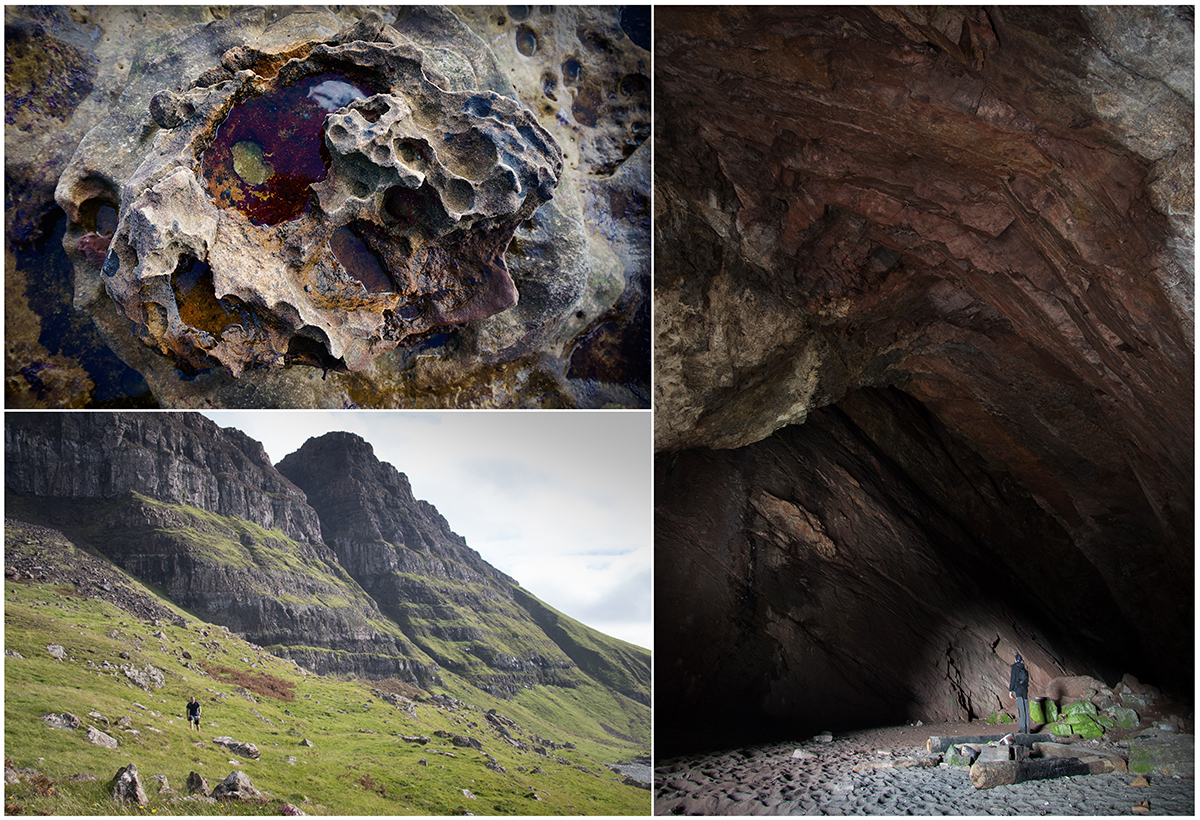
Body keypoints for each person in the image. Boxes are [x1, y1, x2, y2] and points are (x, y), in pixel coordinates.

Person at [1008, 652, 1031, 734]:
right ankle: (1028, 729)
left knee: (1021, 710)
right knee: (1026, 710)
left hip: (1018, 690)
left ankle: (1022, 729)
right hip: (1024, 690)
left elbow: (1013, 679)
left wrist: (1011, 690)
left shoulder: (1014, 667)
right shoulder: (1024, 669)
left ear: (1015, 660)